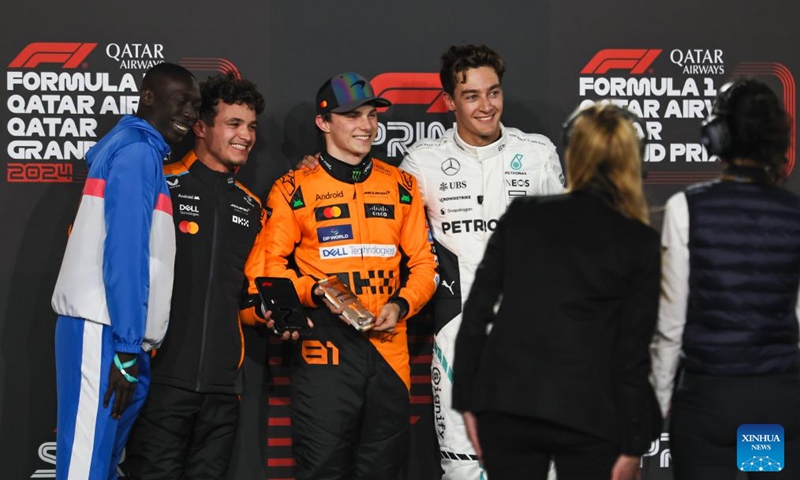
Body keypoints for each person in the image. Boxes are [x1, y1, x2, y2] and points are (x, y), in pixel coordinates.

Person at [453, 104, 663, 480]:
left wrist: (468, 401)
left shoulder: (524, 214)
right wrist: (634, 443)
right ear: (633, 160)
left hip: (507, 406)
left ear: (573, 154)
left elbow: (477, 312)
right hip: (591, 412)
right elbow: (633, 355)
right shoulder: (639, 239)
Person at [398, 44, 565, 480]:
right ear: (450, 102)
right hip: (459, 343)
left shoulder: (538, 153)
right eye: (471, 95)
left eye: (493, 92)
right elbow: (395, 234)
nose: (486, 105)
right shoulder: (422, 163)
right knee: (464, 470)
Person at [260, 71, 438, 480]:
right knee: (322, 469)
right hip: (325, 348)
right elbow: (273, 267)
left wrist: (401, 304)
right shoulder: (292, 188)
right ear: (323, 123)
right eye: (352, 116)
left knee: (383, 470)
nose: (366, 125)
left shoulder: (402, 185)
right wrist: (315, 291)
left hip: (389, 347)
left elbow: (425, 266)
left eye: (372, 115)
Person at [50, 63, 201, 480]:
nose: (190, 113)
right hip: (106, 332)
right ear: (148, 97)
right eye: (181, 100)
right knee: (86, 469)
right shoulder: (137, 152)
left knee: (101, 466)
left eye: (196, 105)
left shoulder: (141, 151)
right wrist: (127, 349)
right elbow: (126, 254)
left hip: (114, 335)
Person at [122, 73, 274, 480]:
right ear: (201, 127)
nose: (246, 135)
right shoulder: (159, 183)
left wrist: (266, 315)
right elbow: (105, 257)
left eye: (252, 126)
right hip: (159, 381)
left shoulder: (254, 208)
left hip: (224, 391)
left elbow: (243, 301)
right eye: (234, 124)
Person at [651, 79, 800, 479]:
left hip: (709, 404)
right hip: (775, 403)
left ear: (717, 136)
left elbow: (671, 326)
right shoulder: (795, 213)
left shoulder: (686, 208)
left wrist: (659, 399)